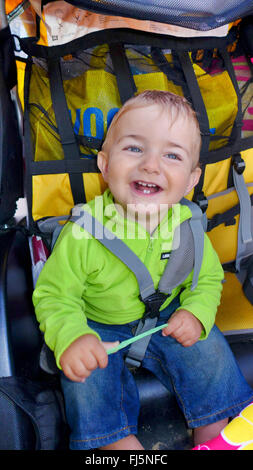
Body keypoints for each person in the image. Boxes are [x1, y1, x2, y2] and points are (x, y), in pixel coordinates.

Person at [33, 90, 253, 450]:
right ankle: (118, 445)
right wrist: (71, 336)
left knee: (206, 346)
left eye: (171, 155)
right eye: (134, 148)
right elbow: (55, 295)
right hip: (96, 325)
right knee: (85, 378)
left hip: (166, 318)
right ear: (104, 164)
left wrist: (195, 313)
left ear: (191, 179)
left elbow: (209, 279)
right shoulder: (85, 233)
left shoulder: (189, 226)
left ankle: (215, 435)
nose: (151, 165)